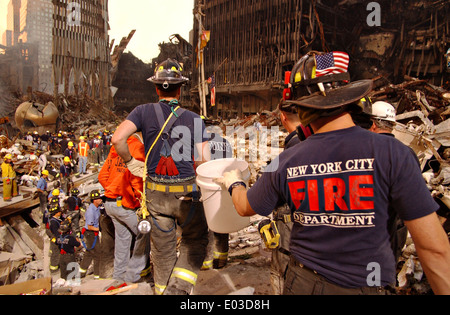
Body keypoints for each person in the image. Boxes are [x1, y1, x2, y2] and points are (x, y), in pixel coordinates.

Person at [217, 51, 450, 295]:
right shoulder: (394, 153)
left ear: (304, 109)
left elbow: (245, 207)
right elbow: (433, 249)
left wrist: (234, 182)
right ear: (350, 99)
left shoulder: (288, 161)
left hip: (304, 284)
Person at [112, 58, 210, 295]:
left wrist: (130, 162)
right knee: (195, 240)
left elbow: (117, 139)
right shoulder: (195, 118)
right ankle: (180, 291)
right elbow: (204, 162)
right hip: (187, 194)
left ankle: (163, 290)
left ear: (156, 87)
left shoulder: (142, 112)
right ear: (181, 87)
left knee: (163, 250)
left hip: (156, 195)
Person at [267, 101, 313, 294]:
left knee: (281, 268)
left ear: (283, 118)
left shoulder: (294, 144)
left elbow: (251, 204)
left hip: (289, 216)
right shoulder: (316, 139)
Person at [98, 133, 149, 283]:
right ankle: (137, 273)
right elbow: (136, 180)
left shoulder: (116, 149)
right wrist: (138, 201)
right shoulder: (138, 149)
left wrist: (113, 190)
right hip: (125, 205)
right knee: (144, 234)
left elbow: (102, 176)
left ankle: (119, 277)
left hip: (110, 204)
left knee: (122, 241)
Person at [201, 120, 233, 270]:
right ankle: (221, 260)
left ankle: (206, 261)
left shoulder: (200, 142)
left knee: (205, 225)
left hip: (206, 187)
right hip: (222, 186)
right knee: (221, 222)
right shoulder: (225, 143)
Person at [79, 190, 102, 279]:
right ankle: (97, 274)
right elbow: (89, 226)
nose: (100, 200)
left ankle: (82, 271)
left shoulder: (97, 208)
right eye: (98, 198)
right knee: (97, 254)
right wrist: (100, 230)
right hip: (91, 233)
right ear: (94, 200)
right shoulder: (91, 211)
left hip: (93, 232)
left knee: (89, 253)